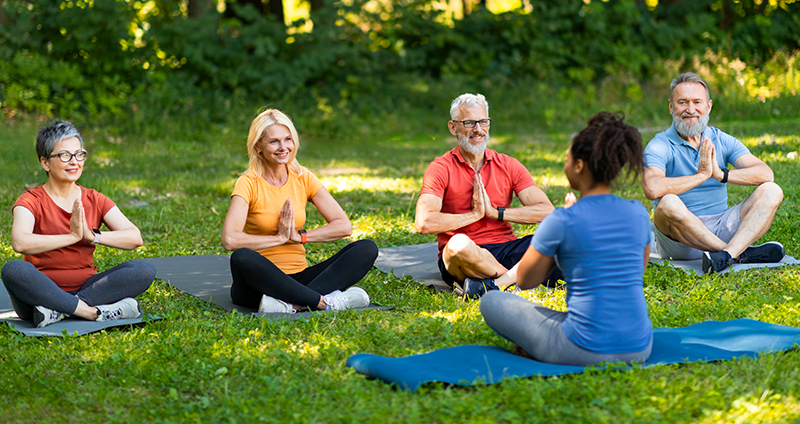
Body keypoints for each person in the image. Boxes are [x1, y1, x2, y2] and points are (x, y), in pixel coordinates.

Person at [480, 112, 653, 366]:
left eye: (566, 159)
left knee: (491, 300)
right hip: (640, 347)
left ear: (579, 166)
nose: (565, 165)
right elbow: (639, 269)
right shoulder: (638, 212)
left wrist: (557, 249)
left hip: (581, 349)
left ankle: (538, 346)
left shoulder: (562, 221)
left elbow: (527, 281)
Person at [1, 120, 156, 328]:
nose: (74, 162)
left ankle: (60, 312)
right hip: (40, 293)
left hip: (88, 288)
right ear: (45, 162)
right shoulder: (30, 200)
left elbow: (134, 238)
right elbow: (20, 242)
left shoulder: (95, 198)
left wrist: (92, 236)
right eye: (65, 155)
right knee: (14, 270)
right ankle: (90, 312)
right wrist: (71, 237)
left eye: (79, 154)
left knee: (144, 269)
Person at [221, 109, 378, 313]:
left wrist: (299, 237)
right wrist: (278, 239)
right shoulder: (248, 182)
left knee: (366, 248)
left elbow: (343, 226)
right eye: (274, 141)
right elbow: (230, 240)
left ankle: (293, 304)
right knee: (241, 257)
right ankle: (323, 302)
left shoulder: (303, 177)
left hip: (301, 277)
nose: (283, 147)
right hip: (259, 286)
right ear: (258, 147)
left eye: (288, 139)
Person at [414, 93, 562, 299]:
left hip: (506, 249)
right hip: (464, 257)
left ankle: (495, 285)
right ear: (453, 127)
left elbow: (547, 211)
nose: (478, 129)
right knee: (458, 245)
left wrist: (495, 213)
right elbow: (424, 223)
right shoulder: (440, 168)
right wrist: (475, 215)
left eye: (483, 121)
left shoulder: (508, 164)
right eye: (469, 122)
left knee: (564, 235)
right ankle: (519, 278)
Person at [641, 72, 784, 274]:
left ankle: (725, 255)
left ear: (708, 106)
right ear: (671, 107)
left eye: (697, 102)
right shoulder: (659, 145)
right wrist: (700, 176)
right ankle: (738, 253)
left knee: (772, 190)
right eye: (682, 102)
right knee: (667, 203)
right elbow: (651, 188)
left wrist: (721, 175)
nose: (690, 110)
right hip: (680, 241)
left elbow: (765, 173)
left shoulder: (721, 139)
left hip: (721, 226)